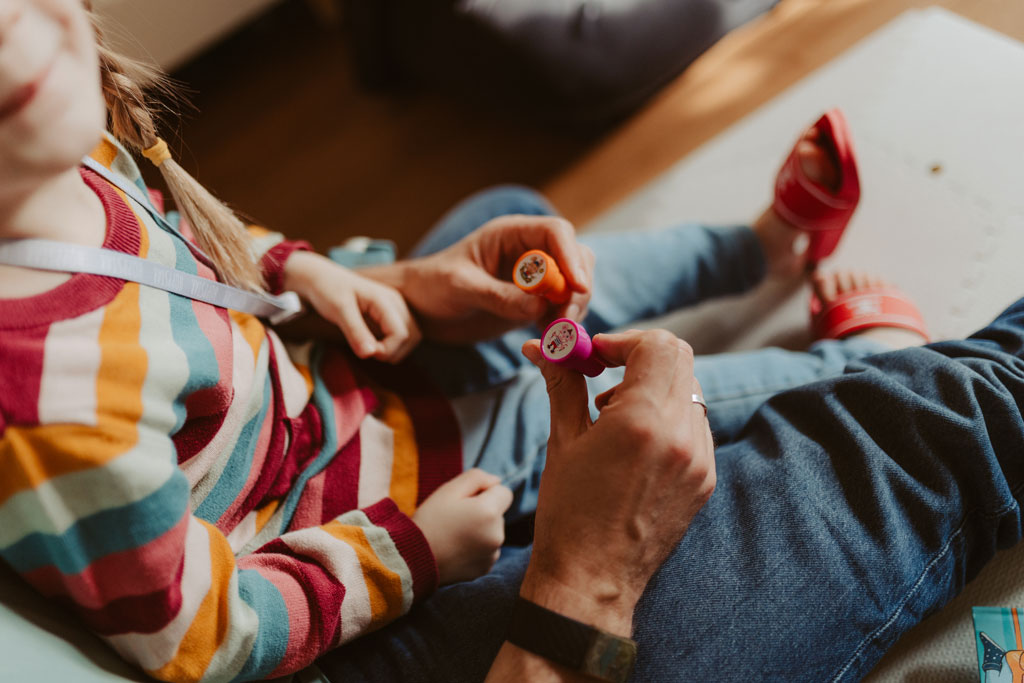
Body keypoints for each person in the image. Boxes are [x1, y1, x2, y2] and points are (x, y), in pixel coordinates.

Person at [2, 2, 1018, 683]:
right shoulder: (49, 418)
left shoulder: (58, 140)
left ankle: (755, 248)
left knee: (522, 228)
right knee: (728, 413)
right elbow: (204, 632)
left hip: (339, 404)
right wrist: (413, 551)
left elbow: (175, 262)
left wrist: (315, 272)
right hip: (382, 520)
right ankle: (873, 356)